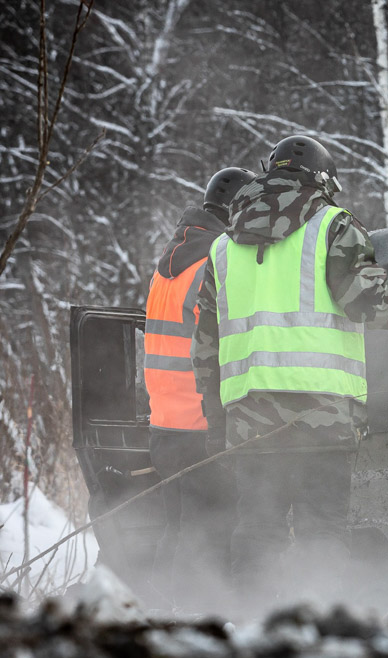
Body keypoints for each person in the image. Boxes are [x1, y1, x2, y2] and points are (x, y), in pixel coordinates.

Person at [191, 134, 388, 607]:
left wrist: (217, 420)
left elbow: (206, 349)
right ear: (323, 181)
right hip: (324, 415)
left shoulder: (221, 248)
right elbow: (369, 302)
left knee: (256, 527)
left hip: (251, 420)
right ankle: (322, 630)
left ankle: (248, 627)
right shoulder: (333, 226)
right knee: (322, 529)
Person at [143, 167, 253, 607]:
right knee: (207, 535)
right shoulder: (215, 262)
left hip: (163, 425)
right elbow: (222, 341)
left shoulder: (165, 268)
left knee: (178, 528)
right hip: (200, 423)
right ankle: (191, 623)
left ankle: (156, 614)